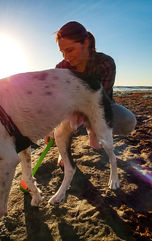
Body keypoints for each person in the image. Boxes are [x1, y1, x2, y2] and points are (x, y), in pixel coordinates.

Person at [46, 21, 137, 155]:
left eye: (70, 50)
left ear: (86, 43)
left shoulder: (105, 63)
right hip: (71, 109)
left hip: (101, 106)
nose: (66, 57)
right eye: (62, 52)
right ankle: (63, 151)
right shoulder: (61, 68)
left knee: (128, 121)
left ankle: (93, 132)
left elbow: (100, 101)